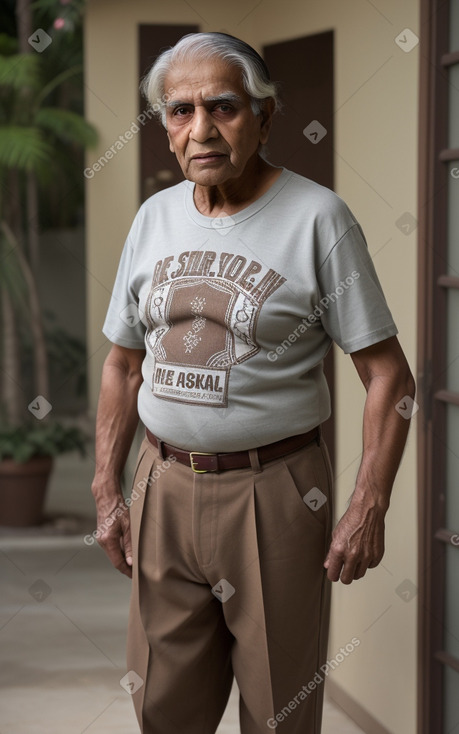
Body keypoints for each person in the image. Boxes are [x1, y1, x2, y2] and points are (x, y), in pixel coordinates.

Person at [90, 31, 415, 734]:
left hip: (275, 491)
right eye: (179, 111)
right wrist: (107, 489)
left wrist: (367, 503)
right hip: (161, 484)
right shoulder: (154, 219)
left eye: (224, 107)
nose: (200, 129)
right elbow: (122, 362)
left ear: (264, 117)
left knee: (278, 709)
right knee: (161, 707)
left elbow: (389, 376)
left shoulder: (317, 219)